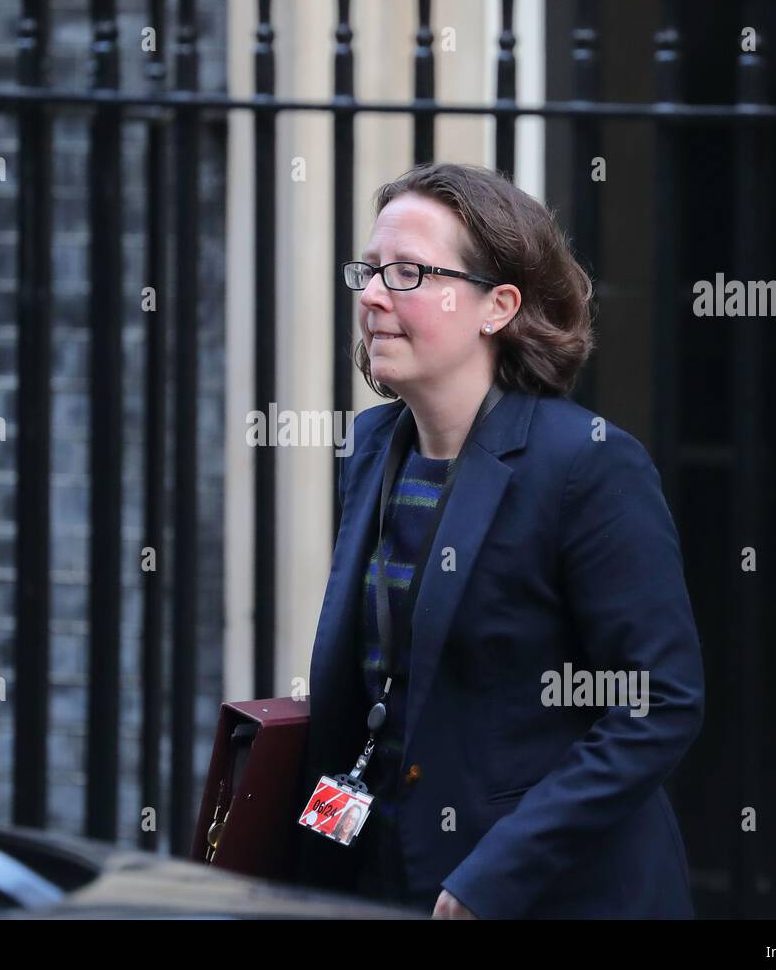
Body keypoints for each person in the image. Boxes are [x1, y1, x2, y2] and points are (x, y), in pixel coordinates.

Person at [290, 162, 705, 920]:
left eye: (409, 272)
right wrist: (309, 852)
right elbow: (380, 699)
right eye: (371, 270)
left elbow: (658, 703)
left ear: (498, 306)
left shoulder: (587, 463)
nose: (374, 295)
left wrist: (492, 877)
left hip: (546, 896)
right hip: (386, 879)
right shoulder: (373, 447)